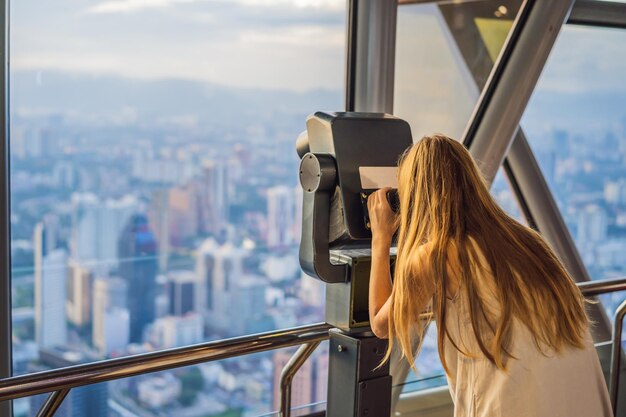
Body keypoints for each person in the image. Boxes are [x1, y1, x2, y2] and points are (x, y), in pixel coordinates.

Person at [367, 134, 613, 417]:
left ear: (416, 195)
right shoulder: (524, 240)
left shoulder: (438, 253)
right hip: (576, 397)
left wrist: (381, 237)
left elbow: (381, 325)